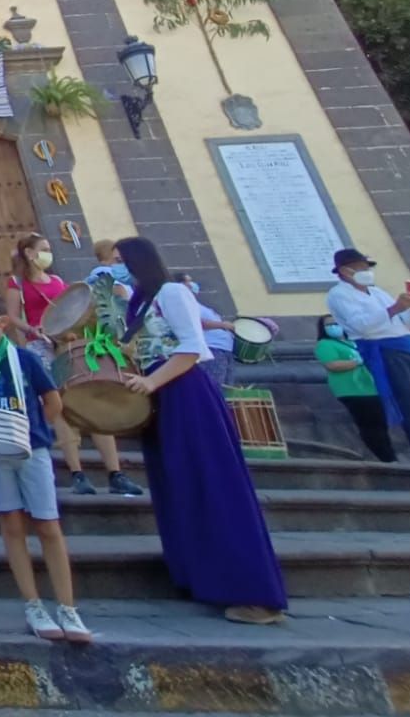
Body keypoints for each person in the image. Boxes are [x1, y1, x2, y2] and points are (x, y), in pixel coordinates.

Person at [116, 236, 286, 624]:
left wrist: (152, 382)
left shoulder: (173, 292)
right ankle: (202, 578)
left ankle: (256, 595)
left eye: (121, 260)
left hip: (184, 393)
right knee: (178, 485)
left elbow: (192, 347)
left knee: (212, 483)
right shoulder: (139, 302)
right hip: (159, 397)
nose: (117, 268)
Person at [0, 292, 93, 643]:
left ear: (1, 320)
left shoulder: (24, 360)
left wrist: (35, 429)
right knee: (11, 523)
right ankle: (33, 603)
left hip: (31, 449)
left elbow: (52, 400)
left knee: (48, 524)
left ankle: (67, 607)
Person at [6, 233, 142, 498]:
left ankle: (116, 473)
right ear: (30, 254)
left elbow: (70, 309)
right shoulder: (17, 283)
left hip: (71, 342)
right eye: (43, 249)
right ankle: (77, 474)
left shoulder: (57, 281)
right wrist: (34, 329)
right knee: (61, 408)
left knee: (93, 402)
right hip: (42, 347)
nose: (48, 252)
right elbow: (12, 316)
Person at [325, 247, 410, 482]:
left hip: (404, 348)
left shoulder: (377, 292)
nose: (365, 272)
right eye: (360, 268)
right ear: (344, 271)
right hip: (384, 351)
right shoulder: (339, 295)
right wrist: (395, 308)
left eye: (366, 268)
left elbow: (404, 322)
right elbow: (362, 326)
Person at [315, 316, 397, 463]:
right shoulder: (325, 344)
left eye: (337, 323)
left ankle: (388, 455)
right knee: (370, 425)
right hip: (352, 390)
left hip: (371, 388)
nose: (334, 326)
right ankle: (385, 458)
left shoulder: (353, 342)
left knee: (380, 423)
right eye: (330, 325)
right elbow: (332, 365)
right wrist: (356, 362)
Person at [176, 274, 236, 390]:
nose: (191, 284)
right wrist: (222, 325)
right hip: (213, 350)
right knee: (214, 388)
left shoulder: (197, 305)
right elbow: (196, 323)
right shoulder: (185, 304)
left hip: (224, 351)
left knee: (226, 390)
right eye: (188, 281)